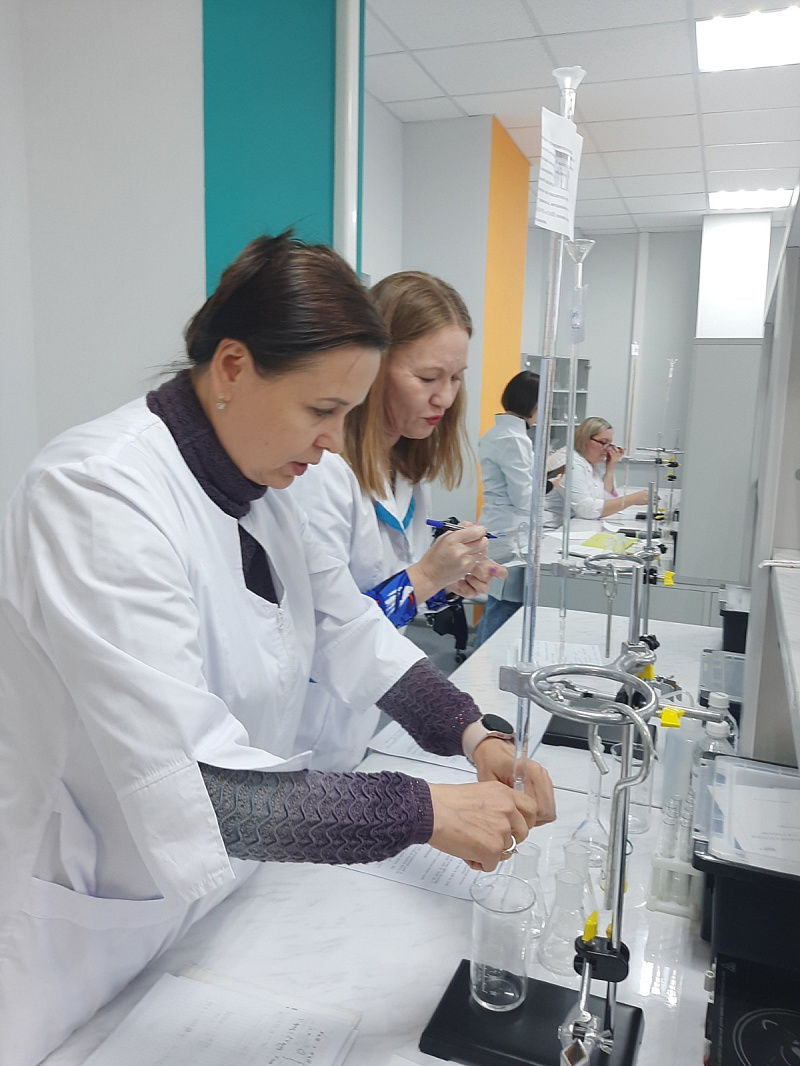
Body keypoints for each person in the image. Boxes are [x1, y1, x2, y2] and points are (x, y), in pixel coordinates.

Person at [0, 234, 555, 1065]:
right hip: (81, 918)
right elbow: (203, 790)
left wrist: (472, 733)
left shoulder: (277, 483)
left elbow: (350, 628)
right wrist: (427, 811)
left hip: (212, 901)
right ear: (232, 367)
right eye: (321, 410)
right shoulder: (97, 495)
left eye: (347, 414)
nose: (334, 442)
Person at [289, 270, 506, 769]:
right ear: (372, 368)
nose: (445, 397)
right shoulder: (319, 472)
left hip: (355, 726)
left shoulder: (404, 473)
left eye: (456, 378)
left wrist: (445, 581)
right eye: (427, 378)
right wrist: (427, 575)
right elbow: (326, 636)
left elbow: (389, 593)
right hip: (299, 733)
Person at [472, 370, 562, 648]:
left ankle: (480, 662)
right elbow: (524, 497)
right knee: (504, 606)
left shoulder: (499, 433)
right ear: (533, 404)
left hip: (502, 525)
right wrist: (550, 485)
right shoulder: (514, 439)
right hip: (511, 532)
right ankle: (483, 667)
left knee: (497, 603)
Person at [558, 416, 650, 519]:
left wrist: (610, 467)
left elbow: (605, 500)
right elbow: (587, 510)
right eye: (603, 442)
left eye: (609, 444)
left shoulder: (591, 464)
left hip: (573, 521)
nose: (608, 449)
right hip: (555, 526)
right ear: (584, 439)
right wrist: (633, 499)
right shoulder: (571, 464)